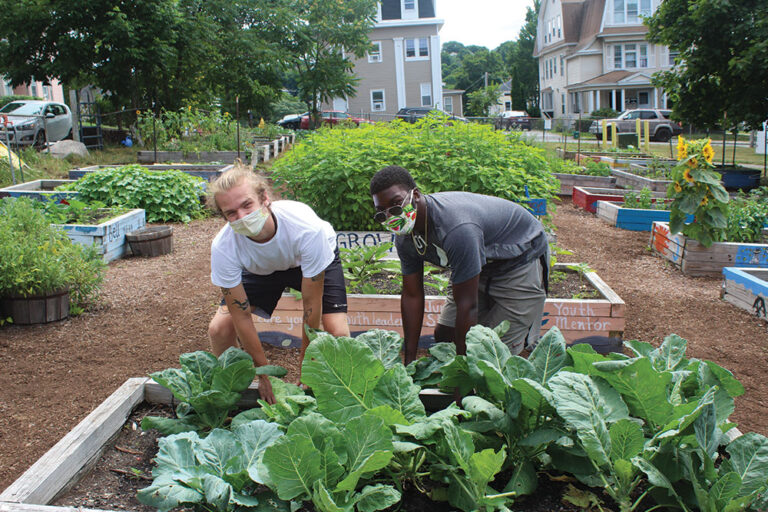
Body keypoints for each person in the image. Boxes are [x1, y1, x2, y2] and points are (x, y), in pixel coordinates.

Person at [369, 165, 548, 364]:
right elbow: (412, 295)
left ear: (416, 195)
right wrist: (408, 362)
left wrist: (461, 378)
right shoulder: (404, 235)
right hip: (480, 262)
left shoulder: (457, 228)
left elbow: (467, 305)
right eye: (381, 213)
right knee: (446, 335)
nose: (391, 216)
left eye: (395, 206)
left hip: (519, 260)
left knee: (493, 355)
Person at [207, 164, 350, 404]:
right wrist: (262, 373)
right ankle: (235, 394)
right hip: (260, 270)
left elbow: (311, 305)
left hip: (304, 261)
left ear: (265, 199)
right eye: (231, 213)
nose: (242, 217)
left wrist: (308, 364)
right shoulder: (224, 247)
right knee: (219, 329)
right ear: (224, 217)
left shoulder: (306, 229)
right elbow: (240, 316)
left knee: (337, 331)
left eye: (247, 205)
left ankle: (337, 393)